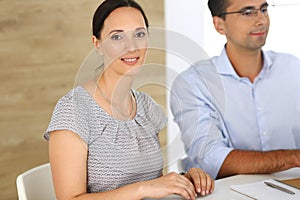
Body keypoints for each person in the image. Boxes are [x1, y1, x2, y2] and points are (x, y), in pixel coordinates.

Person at [44, 0, 214, 199]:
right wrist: (142, 189)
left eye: (139, 34)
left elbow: (154, 180)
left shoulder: (146, 106)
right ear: (97, 44)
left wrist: (185, 180)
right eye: (117, 37)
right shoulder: (73, 110)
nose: (131, 47)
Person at [170, 0, 300, 180]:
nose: (261, 20)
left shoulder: (293, 68)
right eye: (247, 12)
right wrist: (294, 158)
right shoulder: (193, 83)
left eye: (263, 9)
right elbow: (212, 159)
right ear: (219, 25)